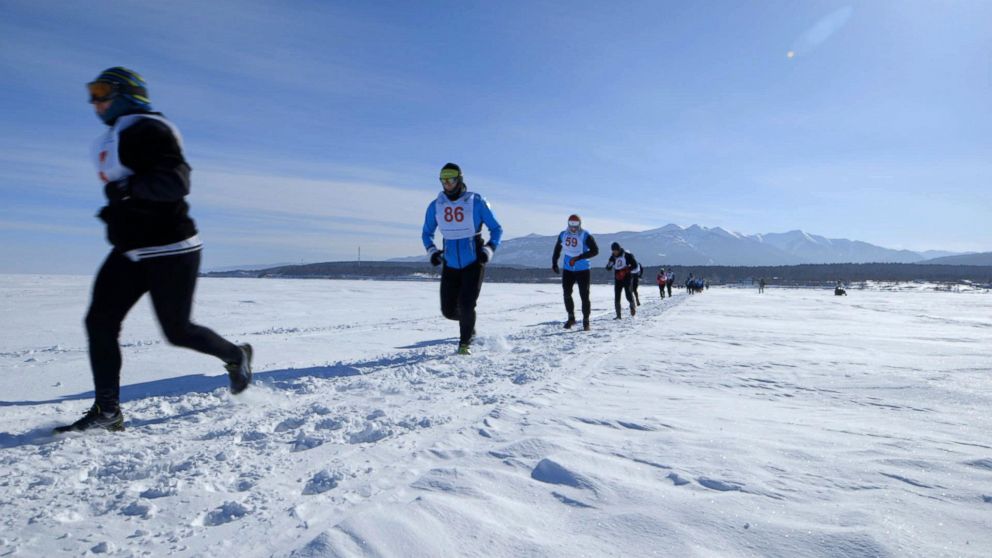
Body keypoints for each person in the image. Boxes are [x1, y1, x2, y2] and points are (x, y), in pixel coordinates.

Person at [55, 68, 252, 434]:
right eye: (91, 92)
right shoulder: (115, 136)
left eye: (102, 92)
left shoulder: (147, 128)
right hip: (131, 250)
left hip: (171, 248)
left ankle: (235, 355)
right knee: (99, 322)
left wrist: (126, 191)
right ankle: (108, 411)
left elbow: (175, 182)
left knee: (177, 331)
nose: (94, 101)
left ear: (130, 94)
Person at [422, 163, 503, 355]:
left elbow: (497, 229)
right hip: (450, 264)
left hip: (474, 262)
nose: (447, 184)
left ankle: (464, 343)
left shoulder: (476, 202)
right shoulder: (436, 205)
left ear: (459, 179)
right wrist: (432, 252)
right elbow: (426, 233)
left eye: (451, 179)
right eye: (444, 180)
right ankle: (469, 322)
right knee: (449, 311)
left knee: (467, 304)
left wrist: (489, 249)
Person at [551, 214, 599, 330]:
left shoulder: (585, 235)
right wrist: (554, 262)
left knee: (584, 295)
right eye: (571, 224)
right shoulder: (563, 234)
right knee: (566, 293)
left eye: (575, 224)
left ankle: (586, 320)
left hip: (582, 269)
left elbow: (595, 251)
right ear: (568, 223)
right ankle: (571, 317)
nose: (573, 227)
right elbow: (557, 248)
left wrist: (580, 257)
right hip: (568, 269)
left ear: (580, 224)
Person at [605, 242, 638, 319]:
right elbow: (608, 268)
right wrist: (609, 265)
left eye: (615, 250)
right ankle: (618, 315)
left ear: (619, 249)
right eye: (613, 251)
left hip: (627, 277)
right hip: (618, 278)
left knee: (628, 293)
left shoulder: (627, 255)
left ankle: (632, 305)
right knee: (617, 296)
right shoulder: (612, 257)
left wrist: (627, 270)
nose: (614, 252)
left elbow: (635, 265)